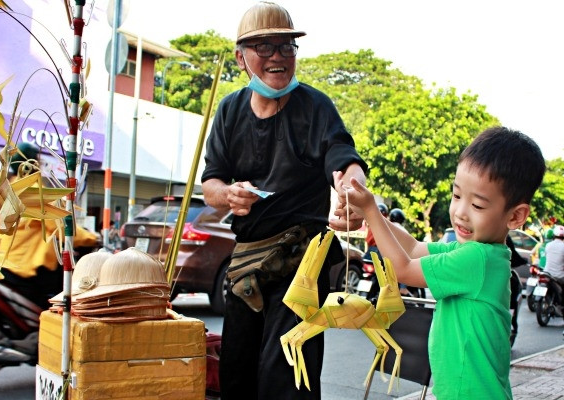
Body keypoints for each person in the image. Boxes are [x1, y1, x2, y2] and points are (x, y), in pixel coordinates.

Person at [200, 2, 368, 398]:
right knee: (236, 371)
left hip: (303, 260)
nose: (278, 57)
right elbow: (211, 185)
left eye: (286, 47)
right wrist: (228, 195)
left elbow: (344, 159)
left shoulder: (316, 107)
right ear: (242, 58)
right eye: (265, 47)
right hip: (246, 261)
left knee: (288, 374)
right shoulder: (229, 111)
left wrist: (351, 191)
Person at [337, 126, 545, 399]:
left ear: (516, 217)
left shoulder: (477, 258)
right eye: (457, 195)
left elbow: (403, 269)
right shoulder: (471, 251)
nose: (460, 212)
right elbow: (411, 247)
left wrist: (371, 209)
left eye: (478, 206)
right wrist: (370, 218)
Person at [0, 142, 98, 309]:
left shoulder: (6, 188)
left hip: (0, 262)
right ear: (33, 163)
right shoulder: (33, 192)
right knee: (57, 292)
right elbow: (64, 228)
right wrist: (92, 238)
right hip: (22, 269)